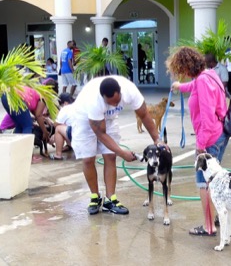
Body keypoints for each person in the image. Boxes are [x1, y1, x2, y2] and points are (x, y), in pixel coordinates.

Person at [72, 76, 167, 215]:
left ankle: (110, 200)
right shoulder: (93, 101)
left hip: (110, 119)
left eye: (117, 102)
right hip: (85, 119)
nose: (115, 105)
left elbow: (144, 115)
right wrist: (122, 153)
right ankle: (94, 196)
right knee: (88, 158)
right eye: (110, 103)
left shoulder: (130, 90)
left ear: (120, 92)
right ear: (103, 97)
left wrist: (157, 140)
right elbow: (101, 134)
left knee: (110, 156)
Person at [167, 47, 229, 237]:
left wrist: (200, 145)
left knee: (204, 183)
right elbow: (195, 87)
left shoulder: (202, 80)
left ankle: (209, 226)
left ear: (186, 67)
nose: (182, 74)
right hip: (219, 134)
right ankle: (218, 216)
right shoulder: (209, 74)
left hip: (210, 138)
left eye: (181, 69)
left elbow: (208, 117)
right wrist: (180, 87)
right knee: (215, 180)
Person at [1, 86, 50, 163]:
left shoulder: (34, 93)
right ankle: (28, 158)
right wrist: (45, 131)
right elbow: (38, 115)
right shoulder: (43, 97)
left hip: (5, 96)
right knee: (27, 126)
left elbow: (37, 115)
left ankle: (16, 155)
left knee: (19, 126)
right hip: (16, 97)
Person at [50, 92, 75, 160]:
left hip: (76, 134)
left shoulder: (65, 108)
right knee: (66, 126)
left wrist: (54, 135)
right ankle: (69, 146)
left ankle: (58, 155)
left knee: (58, 129)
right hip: (88, 134)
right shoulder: (79, 105)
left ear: (65, 103)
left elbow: (56, 124)